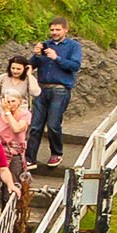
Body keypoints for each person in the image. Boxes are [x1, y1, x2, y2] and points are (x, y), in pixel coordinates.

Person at [31, 20, 84, 167]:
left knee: (53, 124)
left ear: (65, 30)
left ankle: (56, 153)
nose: (54, 32)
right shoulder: (45, 44)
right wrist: (36, 55)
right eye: (52, 30)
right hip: (41, 89)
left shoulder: (73, 46)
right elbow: (31, 66)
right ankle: (30, 158)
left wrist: (57, 58)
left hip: (60, 89)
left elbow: (75, 66)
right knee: (35, 125)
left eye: (58, 30)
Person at [0, 56, 40, 170]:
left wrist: (29, 75)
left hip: (20, 113)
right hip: (2, 112)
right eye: (13, 68)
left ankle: (17, 161)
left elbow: (35, 92)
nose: (15, 71)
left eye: (18, 69)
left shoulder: (27, 80)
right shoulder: (3, 78)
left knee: (17, 137)